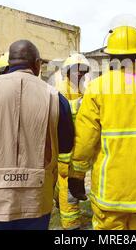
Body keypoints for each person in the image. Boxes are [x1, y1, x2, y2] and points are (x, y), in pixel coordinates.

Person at [68, 15, 136, 230]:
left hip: (112, 191)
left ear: (110, 56)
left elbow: (85, 140)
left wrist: (76, 175)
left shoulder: (98, 88)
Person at [0, 40, 75, 230]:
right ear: (37, 64)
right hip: (35, 198)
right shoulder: (55, 97)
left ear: (9, 63)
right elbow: (66, 145)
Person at [54, 53, 90, 230]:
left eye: (83, 71)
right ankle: (70, 223)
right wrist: (84, 104)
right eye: (77, 70)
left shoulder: (81, 88)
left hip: (78, 144)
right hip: (66, 146)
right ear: (68, 71)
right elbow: (66, 112)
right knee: (67, 184)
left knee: (71, 181)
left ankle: (58, 201)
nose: (80, 74)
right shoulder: (62, 88)